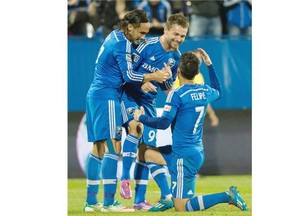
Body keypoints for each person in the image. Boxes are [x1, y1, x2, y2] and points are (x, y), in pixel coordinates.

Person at [133, 48, 248, 212]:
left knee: (182, 207)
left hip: (183, 156)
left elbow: (165, 122)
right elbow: (219, 91)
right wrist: (210, 65)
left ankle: (226, 195)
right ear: (196, 72)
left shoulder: (177, 94)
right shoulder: (204, 90)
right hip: (192, 151)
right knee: (149, 154)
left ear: (178, 69)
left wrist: (140, 118)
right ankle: (167, 196)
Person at [84, 9, 171, 213]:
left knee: (98, 149)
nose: (143, 37)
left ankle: (90, 202)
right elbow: (130, 75)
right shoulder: (122, 43)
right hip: (107, 96)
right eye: (141, 33)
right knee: (114, 146)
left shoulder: (113, 35)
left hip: (96, 94)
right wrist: (154, 76)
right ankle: (108, 202)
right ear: (129, 27)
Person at [119, 13, 189, 211]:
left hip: (149, 103)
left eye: (183, 36)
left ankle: (140, 201)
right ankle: (124, 179)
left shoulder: (176, 58)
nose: (178, 39)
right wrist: (146, 81)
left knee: (146, 151)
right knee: (137, 126)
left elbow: (166, 85)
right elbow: (126, 73)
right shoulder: (146, 45)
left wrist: (175, 96)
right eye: (176, 34)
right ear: (166, 29)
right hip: (130, 96)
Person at [174, 50, 219, 127]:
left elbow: (202, 96)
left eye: (200, 58)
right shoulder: (180, 74)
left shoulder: (199, 76)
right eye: (196, 58)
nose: (198, 60)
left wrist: (212, 115)